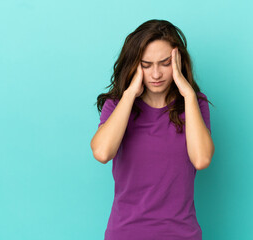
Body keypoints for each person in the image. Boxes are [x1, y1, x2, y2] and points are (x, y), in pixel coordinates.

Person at [90, 19, 215, 240]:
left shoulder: (195, 104)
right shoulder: (117, 105)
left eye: (165, 63)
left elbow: (202, 159)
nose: (156, 74)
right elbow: (102, 153)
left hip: (181, 234)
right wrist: (129, 94)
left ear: (177, 61)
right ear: (134, 65)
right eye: (146, 65)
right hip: (126, 233)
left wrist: (188, 95)